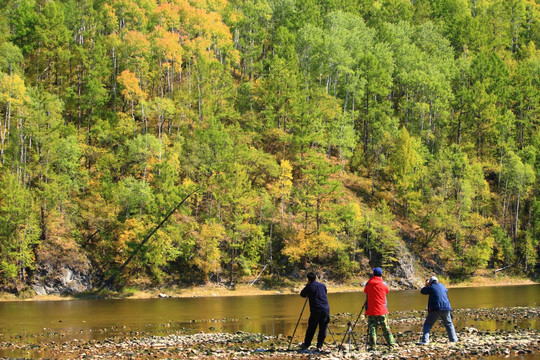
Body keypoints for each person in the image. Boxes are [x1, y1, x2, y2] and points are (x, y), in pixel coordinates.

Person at [418, 276, 457, 345]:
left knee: (427, 324)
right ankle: (453, 340)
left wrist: (427, 285)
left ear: (431, 282)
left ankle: (425, 341)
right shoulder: (442, 286)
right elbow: (445, 291)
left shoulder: (431, 287)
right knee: (449, 324)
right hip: (446, 308)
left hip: (435, 309)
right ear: (437, 281)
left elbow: (423, 291)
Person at [363, 267, 395, 349]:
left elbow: (365, 291)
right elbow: (387, 291)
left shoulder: (369, 283)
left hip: (371, 310)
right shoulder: (383, 284)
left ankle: (373, 346)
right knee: (386, 328)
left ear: (373, 274)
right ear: (381, 274)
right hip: (382, 310)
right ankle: (391, 344)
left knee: (372, 329)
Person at [299, 272, 330, 351]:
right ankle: (319, 345)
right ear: (316, 277)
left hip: (316, 310)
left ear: (308, 279)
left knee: (312, 328)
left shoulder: (309, 286)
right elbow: (325, 292)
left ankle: (306, 344)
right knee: (323, 328)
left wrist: (307, 285)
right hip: (325, 309)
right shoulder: (322, 285)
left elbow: (302, 294)